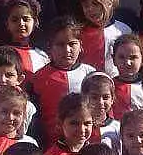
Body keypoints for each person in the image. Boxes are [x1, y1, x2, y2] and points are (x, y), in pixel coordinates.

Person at [30, 16, 97, 145]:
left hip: (86, 144)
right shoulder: (39, 78)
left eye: (72, 44)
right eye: (60, 45)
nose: (67, 50)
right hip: (51, 146)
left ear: (80, 45)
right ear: (50, 46)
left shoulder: (90, 74)